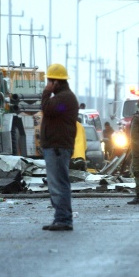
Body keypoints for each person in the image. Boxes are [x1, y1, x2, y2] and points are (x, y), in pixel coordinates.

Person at [40, 63, 79, 231]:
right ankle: (60, 218)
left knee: (58, 184)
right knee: (57, 183)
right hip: (56, 146)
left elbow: (47, 109)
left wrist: (46, 92)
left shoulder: (65, 99)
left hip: (57, 147)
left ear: (56, 82)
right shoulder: (64, 98)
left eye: (50, 81)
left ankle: (63, 219)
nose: (48, 84)